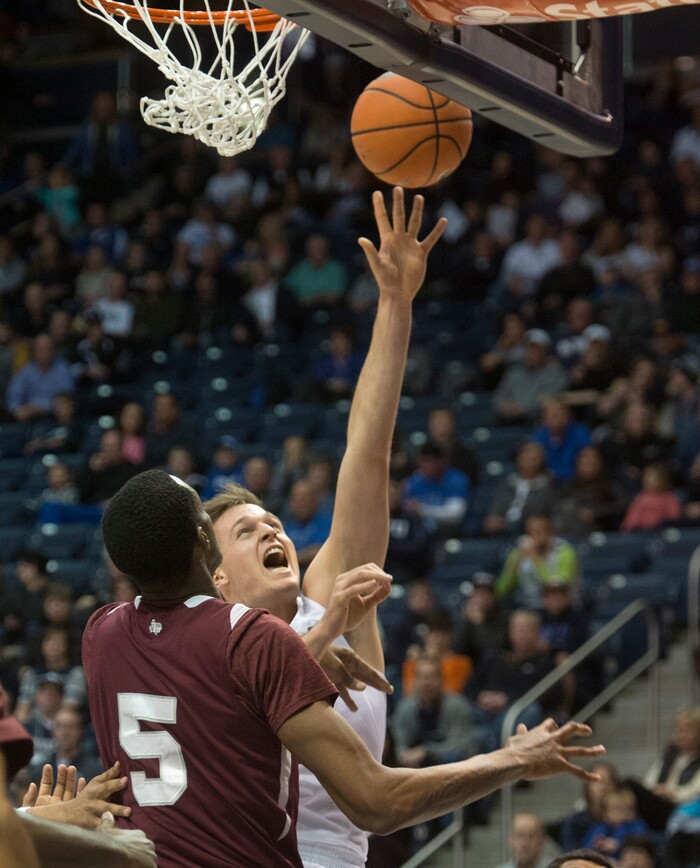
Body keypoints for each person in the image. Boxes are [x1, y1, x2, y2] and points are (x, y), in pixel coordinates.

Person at [89, 469, 604, 868]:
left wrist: (311, 644)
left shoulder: (102, 635)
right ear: (207, 546)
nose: (271, 532)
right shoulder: (253, 637)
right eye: (242, 529)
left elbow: (209, 706)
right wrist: (512, 759)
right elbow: (376, 803)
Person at [465, 610, 561, 753]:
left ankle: (505, 756)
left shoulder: (544, 662)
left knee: (530, 711)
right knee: (456, 705)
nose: (520, 634)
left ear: (537, 633)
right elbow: (469, 688)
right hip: (483, 714)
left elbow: (550, 695)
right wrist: (481, 696)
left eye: (525, 629)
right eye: (516, 628)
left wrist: (507, 699)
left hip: (514, 715)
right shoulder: (494, 657)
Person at [624, 705, 700, 831]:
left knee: (629, 784)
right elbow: (649, 779)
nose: (682, 735)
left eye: (688, 730)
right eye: (679, 730)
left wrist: (672, 793)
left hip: (680, 808)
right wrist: (656, 790)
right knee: (627, 786)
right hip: (659, 801)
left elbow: (695, 791)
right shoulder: (669, 755)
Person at [497, 514, 579, 609]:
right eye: (530, 532)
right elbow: (501, 590)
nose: (534, 537)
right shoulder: (520, 551)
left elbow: (558, 587)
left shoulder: (565, 551)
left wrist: (536, 559)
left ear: (550, 533)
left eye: (539, 532)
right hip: (529, 606)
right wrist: (513, 566)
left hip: (564, 607)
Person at [493, 329, 568, 424]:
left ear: (545, 350)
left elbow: (550, 400)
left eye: (535, 348)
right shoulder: (515, 371)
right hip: (508, 421)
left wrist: (522, 409)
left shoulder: (555, 373)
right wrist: (504, 406)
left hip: (539, 423)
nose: (531, 352)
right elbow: (499, 396)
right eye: (528, 348)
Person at [403, 440, 470, 535]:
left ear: (441, 461)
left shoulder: (456, 479)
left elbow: (455, 515)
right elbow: (406, 508)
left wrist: (422, 510)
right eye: (423, 461)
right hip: (419, 532)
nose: (426, 466)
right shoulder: (415, 480)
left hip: (449, 531)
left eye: (430, 461)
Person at [532, 399, 591, 482]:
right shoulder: (539, 436)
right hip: (546, 483)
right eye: (552, 415)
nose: (557, 418)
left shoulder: (581, 433)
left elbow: (588, 463)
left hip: (576, 481)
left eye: (559, 413)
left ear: (568, 416)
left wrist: (558, 474)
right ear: (544, 420)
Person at [582, 787, 649, 860]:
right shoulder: (598, 828)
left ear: (631, 811)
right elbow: (586, 848)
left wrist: (618, 845)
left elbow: (640, 845)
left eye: (622, 810)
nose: (617, 814)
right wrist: (598, 844)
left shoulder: (637, 826)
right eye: (614, 810)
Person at [620, 462, 682, 531]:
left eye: (652, 476)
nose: (647, 479)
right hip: (641, 534)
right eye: (646, 477)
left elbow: (674, 517)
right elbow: (631, 520)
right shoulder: (641, 498)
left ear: (662, 478)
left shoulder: (670, 498)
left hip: (662, 532)